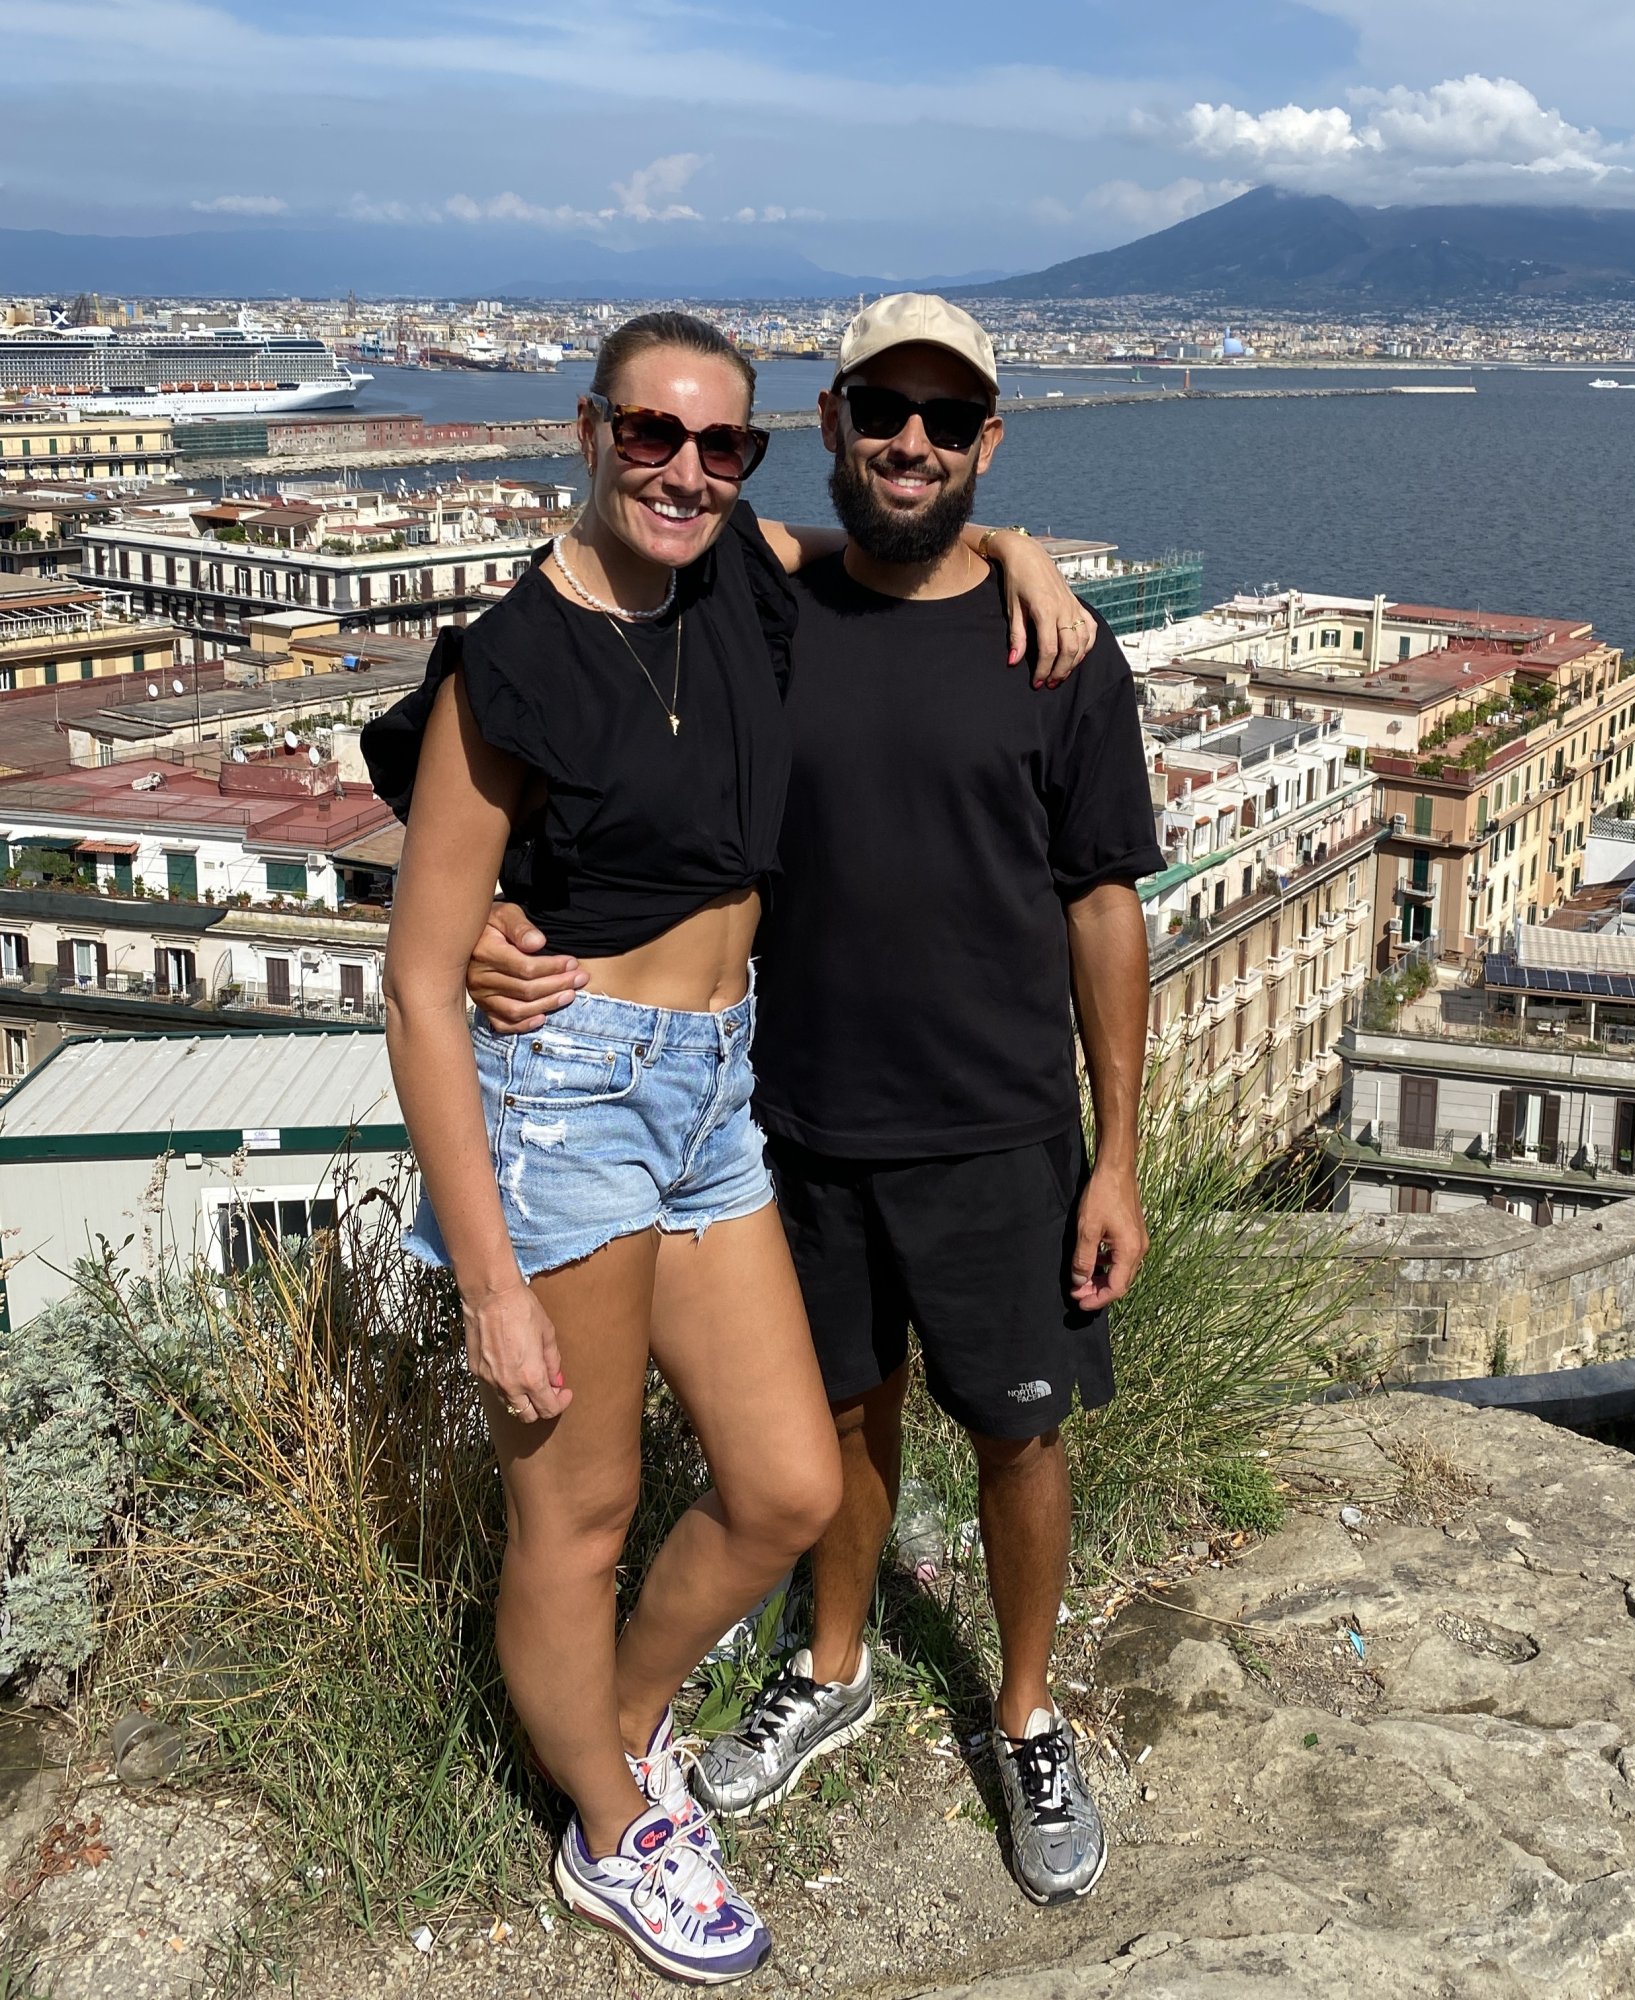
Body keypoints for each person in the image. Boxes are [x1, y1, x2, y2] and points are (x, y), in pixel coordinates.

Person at [363, 307, 1091, 1984]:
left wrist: (1021, 546)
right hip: (574, 1100)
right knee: (586, 1514)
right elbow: (419, 982)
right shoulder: (511, 660)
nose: (685, 469)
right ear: (589, 428)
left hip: (715, 1089)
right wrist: (487, 1277)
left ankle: (614, 1744)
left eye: (721, 444)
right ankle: (616, 1836)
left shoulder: (738, 579)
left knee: (786, 1483)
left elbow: (897, 541)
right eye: (652, 435)